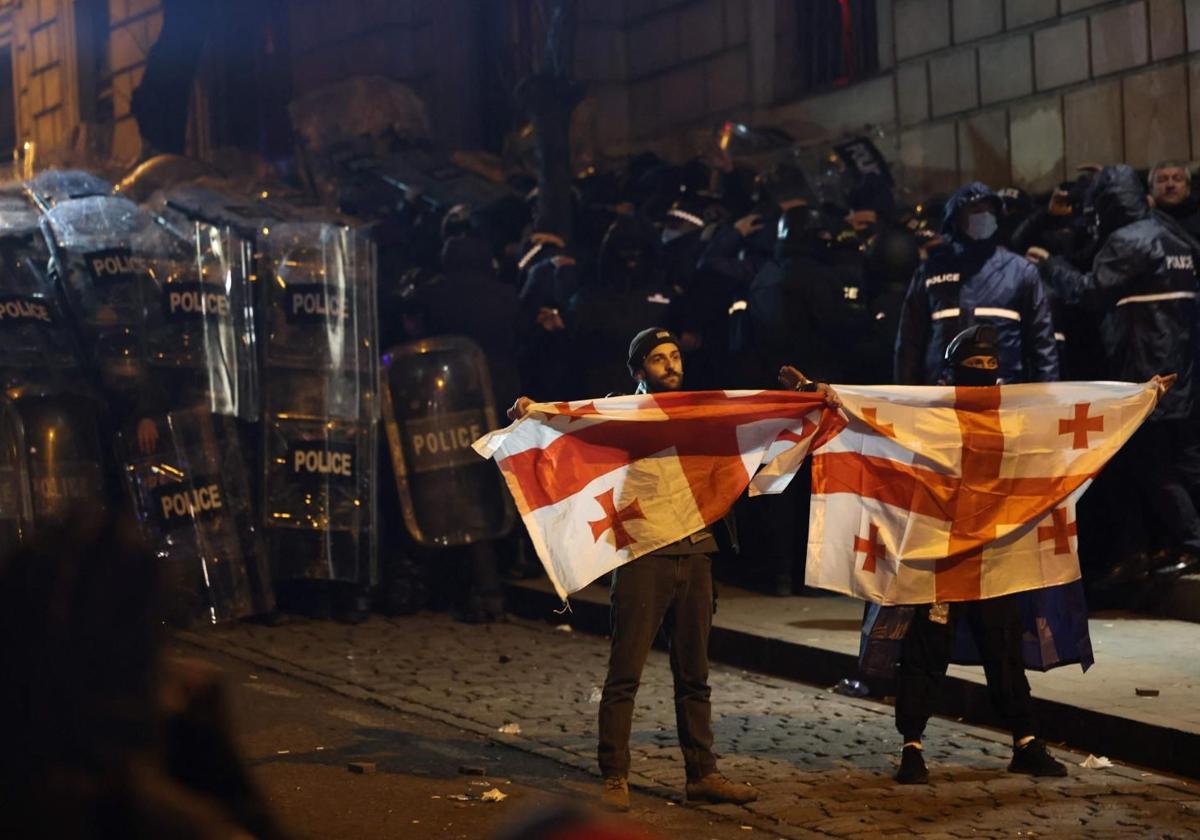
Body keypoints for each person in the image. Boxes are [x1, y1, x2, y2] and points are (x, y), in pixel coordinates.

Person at [506, 328, 760, 812]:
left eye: (676, 356)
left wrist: (814, 399)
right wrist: (536, 410)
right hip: (645, 556)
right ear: (639, 371)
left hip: (697, 552)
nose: (671, 365)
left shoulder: (701, 410)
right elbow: (576, 419)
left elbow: (761, 416)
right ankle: (615, 775)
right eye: (658, 359)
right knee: (626, 673)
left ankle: (703, 774)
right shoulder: (621, 411)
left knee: (695, 674)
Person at [887, 325, 1069, 784]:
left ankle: (1026, 743)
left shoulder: (1013, 419)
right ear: (954, 372)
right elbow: (871, 414)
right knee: (926, 652)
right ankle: (912, 747)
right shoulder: (931, 418)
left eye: (992, 366)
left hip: (993, 555)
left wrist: (1142, 398)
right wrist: (821, 393)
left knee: (1004, 647)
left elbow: (1074, 429)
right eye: (975, 367)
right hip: (942, 554)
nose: (985, 375)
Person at [1032, 164, 1200, 582]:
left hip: (1149, 369)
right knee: (1188, 460)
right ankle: (1181, 541)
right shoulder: (1175, 236)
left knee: (1152, 463)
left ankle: (1193, 543)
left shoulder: (1126, 241)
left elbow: (1089, 292)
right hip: (1186, 369)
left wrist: (1051, 265)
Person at [895, 181, 1059, 387]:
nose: (983, 215)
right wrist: (907, 400)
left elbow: (1042, 343)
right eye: (974, 208)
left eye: (990, 209)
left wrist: (1045, 398)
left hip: (1004, 397)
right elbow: (909, 344)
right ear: (956, 216)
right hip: (943, 398)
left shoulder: (1020, 272)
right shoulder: (930, 272)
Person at [1148, 160, 1200, 239]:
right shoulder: (1142, 218)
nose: (1170, 185)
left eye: (1177, 179)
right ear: (1151, 189)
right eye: (1162, 180)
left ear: (1188, 189)